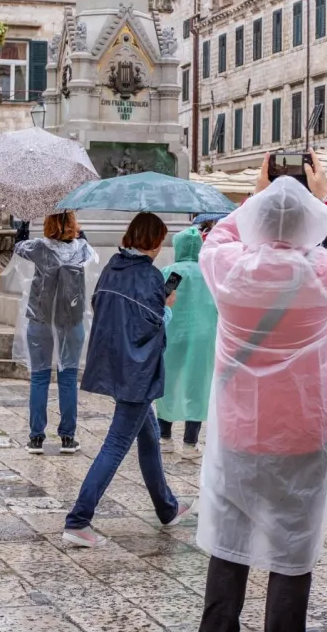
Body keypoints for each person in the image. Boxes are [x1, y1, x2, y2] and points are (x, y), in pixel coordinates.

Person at [195, 152, 327, 632]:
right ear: (309, 224)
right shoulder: (324, 274)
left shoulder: (230, 271)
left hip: (240, 431)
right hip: (301, 432)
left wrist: (258, 192)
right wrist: (326, 199)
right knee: (293, 551)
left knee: (230, 544)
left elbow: (216, 240)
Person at [62, 212, 192, 547]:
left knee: (148, 436)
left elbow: (101, 306)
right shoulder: (149, 277)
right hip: (138, 371)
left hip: (115, 362)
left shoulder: (111, 268)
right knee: (117, 443)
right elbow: (152, 325)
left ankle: (167, 508)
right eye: (160, 239)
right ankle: (78, 520)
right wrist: (167, 305)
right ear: (152, 241)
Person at [12, 212, 98, 455]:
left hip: (41, 318)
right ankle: (68, 438)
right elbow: (87, 248)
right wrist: (78, 233)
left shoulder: (39, 248)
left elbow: (18, 247)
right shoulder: (82, 249)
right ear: (73, 225)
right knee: (68, 379)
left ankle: (36, 438)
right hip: (70, 321)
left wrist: (25, 224)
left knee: (40, 378)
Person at [157, 226, 218, 457]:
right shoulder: (209, 272)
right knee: (198, 385)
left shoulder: (173, 274)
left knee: (168, 382)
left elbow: (161, 300)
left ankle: (165, 437)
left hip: (173, 334)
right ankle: (190, 443)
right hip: (204, 337)